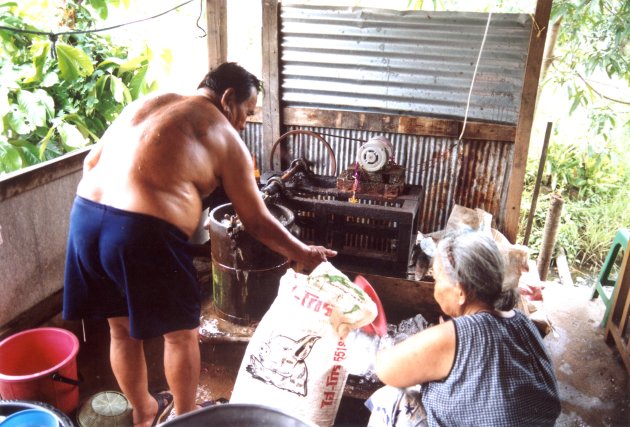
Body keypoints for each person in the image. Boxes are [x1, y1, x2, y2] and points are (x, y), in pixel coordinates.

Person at [62, 62, 336, 427]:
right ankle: (185, 419)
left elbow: (90, 160)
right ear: (227, 98)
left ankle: (144, 413)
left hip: (85, 218)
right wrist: (304, 253)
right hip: (140, 232)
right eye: (247, 113)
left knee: (121, 330)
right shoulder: (223, 134)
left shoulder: (150, 102)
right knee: (180, 335)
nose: (244, 123)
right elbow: (255, 221)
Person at [366, 230, 560, 427]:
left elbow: (386, 370)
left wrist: (388, 341)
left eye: (437, 278)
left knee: (392, 397)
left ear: (460, 292)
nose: (435, 286)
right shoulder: (522, 322)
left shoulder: (459, 334)